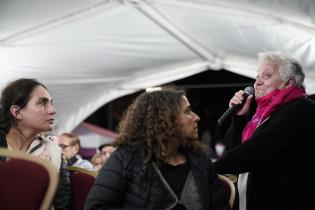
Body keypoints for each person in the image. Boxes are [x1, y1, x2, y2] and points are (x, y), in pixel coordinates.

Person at [85, 87, 230, 210]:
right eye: (187, 111)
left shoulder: (200, 160)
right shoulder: (125, 157)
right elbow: (97, 206)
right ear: (164, 119)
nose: (196, 117)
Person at [213, 52, 315, 210]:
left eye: (266, 76)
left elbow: (257, 150)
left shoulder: (301, 108)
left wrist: (206, 169)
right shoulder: (261, 117)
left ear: (288, 83)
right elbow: (234, 152)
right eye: (257, 76)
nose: (257, 82)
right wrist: (239, 118)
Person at [0, 78, 71, 210]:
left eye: (51, 103)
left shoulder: (54, 152)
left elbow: (62, 204)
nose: (52, 110)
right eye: (42, 103)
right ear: (17, 112)